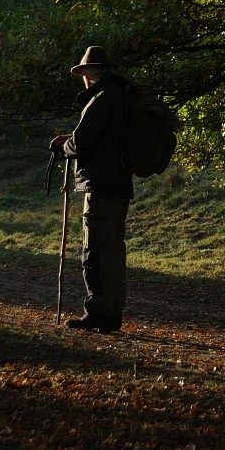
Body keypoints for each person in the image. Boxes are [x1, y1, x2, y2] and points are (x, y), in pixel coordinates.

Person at [50, 46, 133, 333]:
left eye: (84, 73)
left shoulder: (101, 98)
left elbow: (83, 141)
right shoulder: (122, 96)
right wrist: (71, 139)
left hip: (100, 184)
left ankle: (98, 312)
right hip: (121, 184)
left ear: (89, 73)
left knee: (95, 250)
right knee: (113, 250)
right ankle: (111, 312)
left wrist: (65, 145)